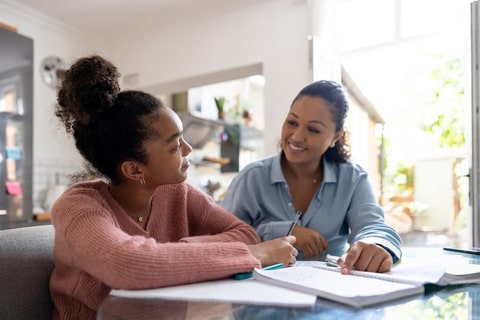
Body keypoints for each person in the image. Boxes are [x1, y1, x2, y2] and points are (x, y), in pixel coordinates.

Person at [49, 55, 297, 320]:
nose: (188, 149)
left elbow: (244, 234)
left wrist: (174, 252)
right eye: (174, 146)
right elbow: (130, 266)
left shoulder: (176, 192)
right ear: (134, 169)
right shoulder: (78, 206)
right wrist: (252, 254)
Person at [221, 80, 402, 274]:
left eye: (313, 130)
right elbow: (222, 240)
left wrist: (374, 245)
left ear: (335, 137)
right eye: (292, 122)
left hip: (330, 292)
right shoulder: (252, 178)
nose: (297, 136)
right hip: (256, 289)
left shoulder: (353, 178)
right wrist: (284, 231)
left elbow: (374, 226)